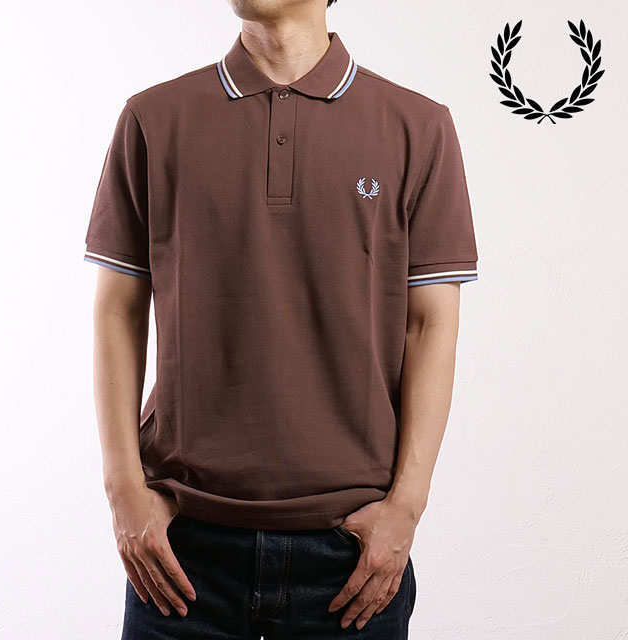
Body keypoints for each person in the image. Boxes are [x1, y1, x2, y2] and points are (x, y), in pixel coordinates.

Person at [83, 0, 479, 637]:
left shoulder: (418, 126)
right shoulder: (153, 118)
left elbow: (430, 325)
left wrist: (406, 507)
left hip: (351, 560)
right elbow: (117, 308)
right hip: (182, 556)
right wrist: (122, 490)